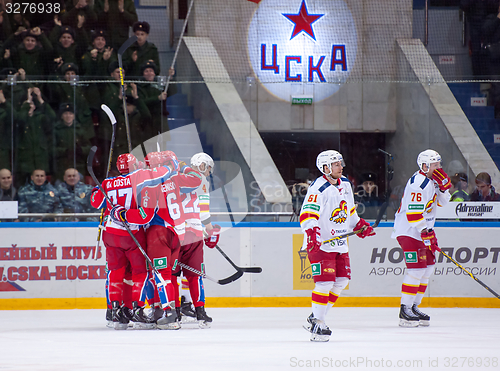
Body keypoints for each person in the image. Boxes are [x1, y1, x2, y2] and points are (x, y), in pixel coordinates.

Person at [299, 150, 376, 342]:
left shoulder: (346, 185)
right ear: (325, 168)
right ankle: (318, 322)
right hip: (321, 244)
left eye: (341, 163)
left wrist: (358, 224)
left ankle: (317, 315)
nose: (341, 167)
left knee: (341, 281)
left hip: (340, 243)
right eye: (336, 164)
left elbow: (349, 211)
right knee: (324, 283)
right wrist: (312, 233)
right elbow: (307, 215)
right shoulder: (318, 188)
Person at [90, 153, 166, 330]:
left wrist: (97, 189)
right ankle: (137, 309)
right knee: (140, 272)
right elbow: (163, 173)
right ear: (134, 165)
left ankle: (114, 310)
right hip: (131, 233)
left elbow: (96, 202)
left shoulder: (107, 183)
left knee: (115, 271)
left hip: (110, 233)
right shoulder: (138, 177)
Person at [391, 149, 451, 327]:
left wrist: (443, 188)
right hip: (410, 230)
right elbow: (413, 214)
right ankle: (405, 309)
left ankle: (414, 306)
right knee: (416, 269)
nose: (439, 168)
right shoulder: (418, 183)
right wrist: (426, 231)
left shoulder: (432, 180)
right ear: (425, 166)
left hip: (424, 230)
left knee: (428, 268)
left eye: (439, 164)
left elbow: (442, 202)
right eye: (435, 165)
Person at [171, 152, 220, 327]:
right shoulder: (200, 180)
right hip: (193, 234)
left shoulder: (174, 178)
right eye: (208, 168)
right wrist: (209, 229)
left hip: (175, 233)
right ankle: (200, 311)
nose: (208, 173)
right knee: (195, 275)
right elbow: (204, 211)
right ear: (202, 165)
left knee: (173, 275)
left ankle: (176, 310)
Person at [51, 103, 94, 181]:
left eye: (70, 113)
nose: (68, 116)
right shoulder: (56, 130)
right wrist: (65, 151)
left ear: (74, 116)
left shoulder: (80, 130)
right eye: (65, 113)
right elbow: (51, 149)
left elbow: (89, 147)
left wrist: (81, 150)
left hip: (78, 165)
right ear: (61, 116)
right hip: (61, 166)